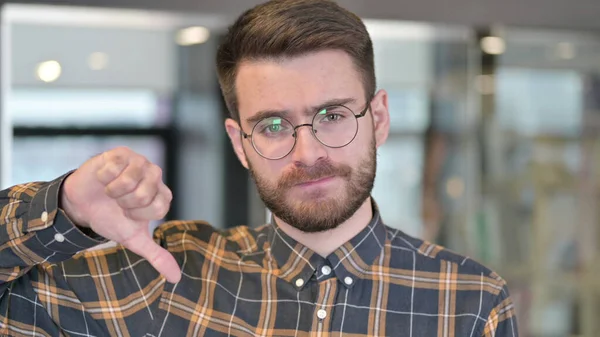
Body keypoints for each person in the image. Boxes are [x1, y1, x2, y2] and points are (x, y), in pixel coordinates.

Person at [0, 0, 518, 336]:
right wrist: (63, 207)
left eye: (333, 116)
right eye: (272, 126)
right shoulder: (160, 279)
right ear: (239, 143)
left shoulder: (468, 303)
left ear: (378, 118)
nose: (307, 152)